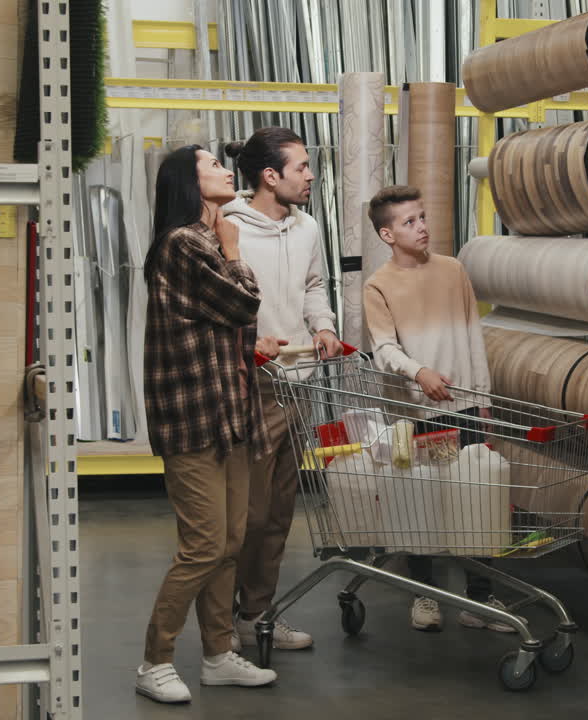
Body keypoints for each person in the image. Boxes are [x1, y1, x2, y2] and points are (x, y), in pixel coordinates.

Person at [135, 145, 277, 703]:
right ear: (189, 183)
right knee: (202, 545)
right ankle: (154, 660)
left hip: (229, 414)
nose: (225, 170)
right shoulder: (185, 243)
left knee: (230, 543)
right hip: (194, 417)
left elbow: (222, 321)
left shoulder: (206, 241)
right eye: (213, 165)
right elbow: (242, 304)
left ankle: (218, 655)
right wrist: (235, 250)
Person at [361, 184, 523, 634]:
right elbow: (384, 349)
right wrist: (419, 373)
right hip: (416, 416)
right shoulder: (378, 285)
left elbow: (473, 338)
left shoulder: (453, 271)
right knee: (421, 503)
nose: (422, 227)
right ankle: (425, 593)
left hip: (464, 407)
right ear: (387, 235)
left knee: (476, 500)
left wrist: (483, 401)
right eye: (409, 222)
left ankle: (479, 598)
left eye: (422, 217)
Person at [221, 127, 340, 651]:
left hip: (299, 383)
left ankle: (256, 612)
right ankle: (221, 620)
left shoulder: (307, 227)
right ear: (270, 176)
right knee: (245, 513)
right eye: (301, 167)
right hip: (253, 385)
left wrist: (324, 326)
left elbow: (313, 285)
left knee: (278, 513)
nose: (311, 175)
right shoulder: (228, 227)